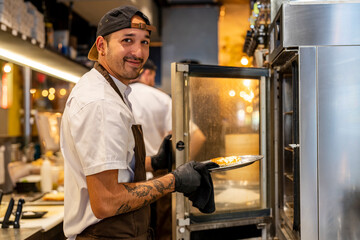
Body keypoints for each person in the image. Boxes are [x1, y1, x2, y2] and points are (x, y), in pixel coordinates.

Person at [60, 5, 217, 240]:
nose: (139, 51)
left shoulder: (113, 92)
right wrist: (175, 180)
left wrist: (153, 163)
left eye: (144, 42)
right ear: (101, 46)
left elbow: (112, 167)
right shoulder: (101, 102)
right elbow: (106, 201)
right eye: (127, 40)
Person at [129, 59, 207, 240]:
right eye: (153, 77)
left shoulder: (117, 96)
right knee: (161, 233)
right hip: (156, 184)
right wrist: (178, 169)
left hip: (124, 187)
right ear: (147, 73)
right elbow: (197, 136)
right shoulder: (159, 98)